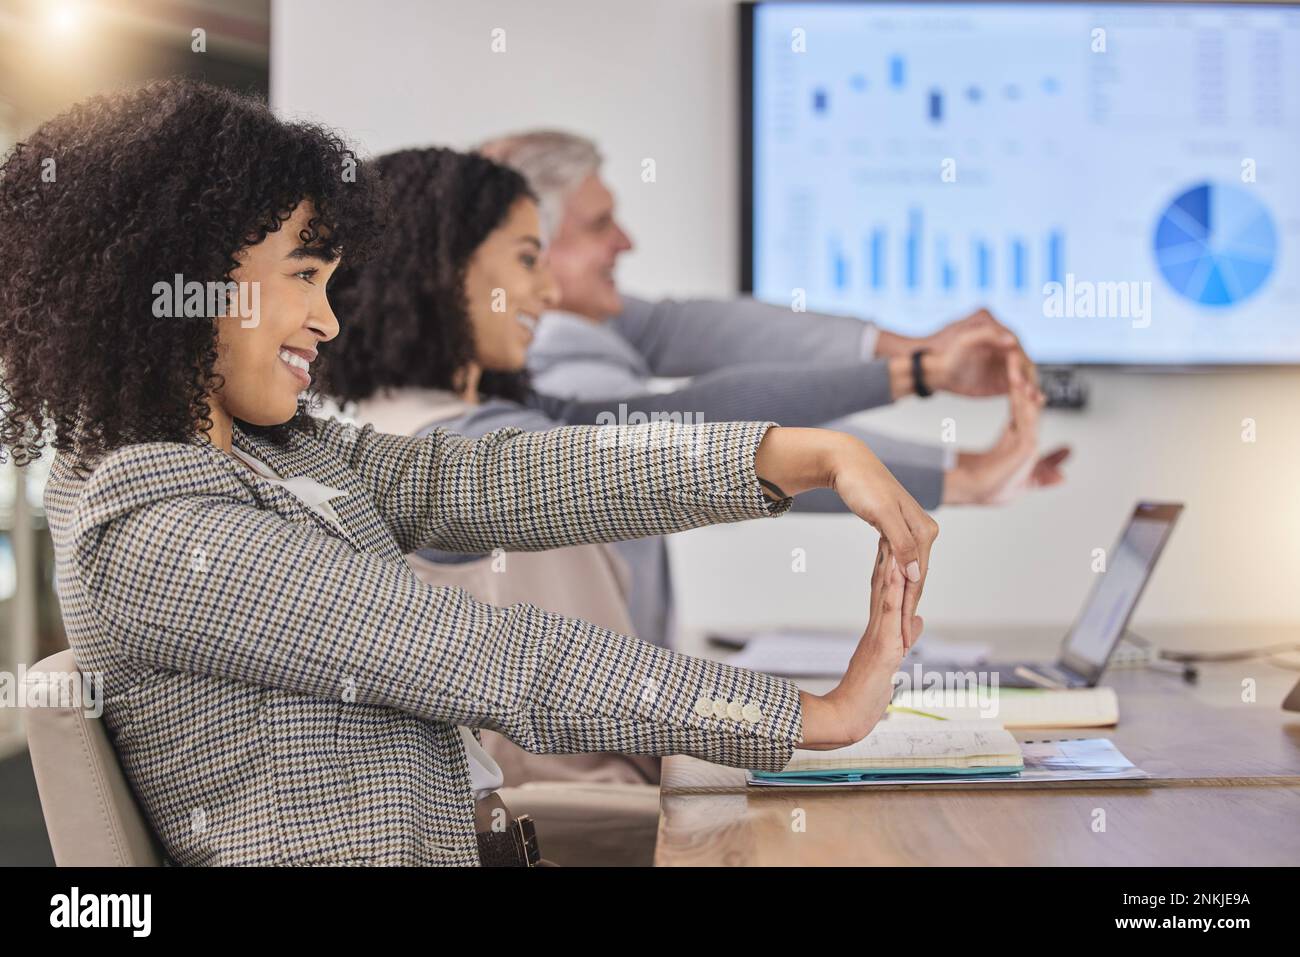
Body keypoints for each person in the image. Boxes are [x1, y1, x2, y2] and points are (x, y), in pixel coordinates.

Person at [0, 80, 938, 867]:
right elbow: (491, 658)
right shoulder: (149, 528)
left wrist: (790, 456)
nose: (328, 322)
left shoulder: (271, 452)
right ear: (183, 274)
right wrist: (813, 715)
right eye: (303, 276)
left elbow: (492, 479)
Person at [479, 129, 1068, 646]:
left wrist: (916, 357)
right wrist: (934, 410)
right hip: (579, 752)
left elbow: (710, 335)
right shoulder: (553, 348)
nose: (626, 241)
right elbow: (698, 442)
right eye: (599, 225)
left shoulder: (578, 324)